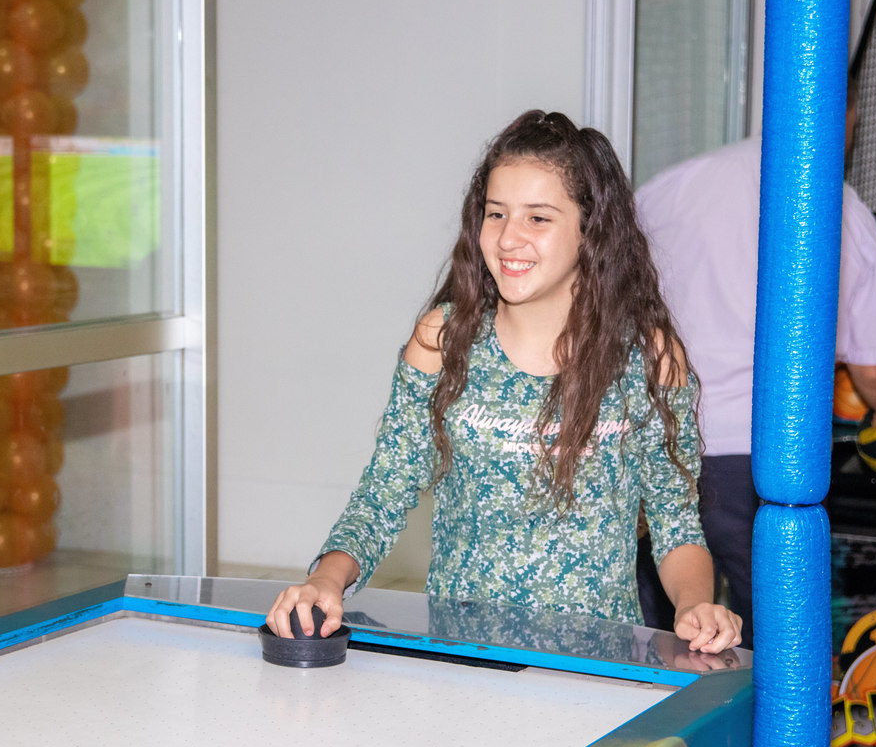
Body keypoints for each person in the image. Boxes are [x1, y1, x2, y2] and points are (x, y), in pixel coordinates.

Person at [265, 110, 742, 655]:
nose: (509, 238)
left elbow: (675, 522)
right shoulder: (443, 338)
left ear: (592, 230)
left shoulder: (650, 357)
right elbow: (386, 488)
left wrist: (693, 606)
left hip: (597, 666)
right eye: (496, 214)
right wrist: (326, 580)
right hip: (461, 659)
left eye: (538, 218)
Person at [632, 80, 876, 649]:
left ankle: (646, 735)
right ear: (846, 116)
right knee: (780, 640)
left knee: (650, 632)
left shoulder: (671, 185)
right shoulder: (839, 208)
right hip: (763, 460)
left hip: (656, 440)